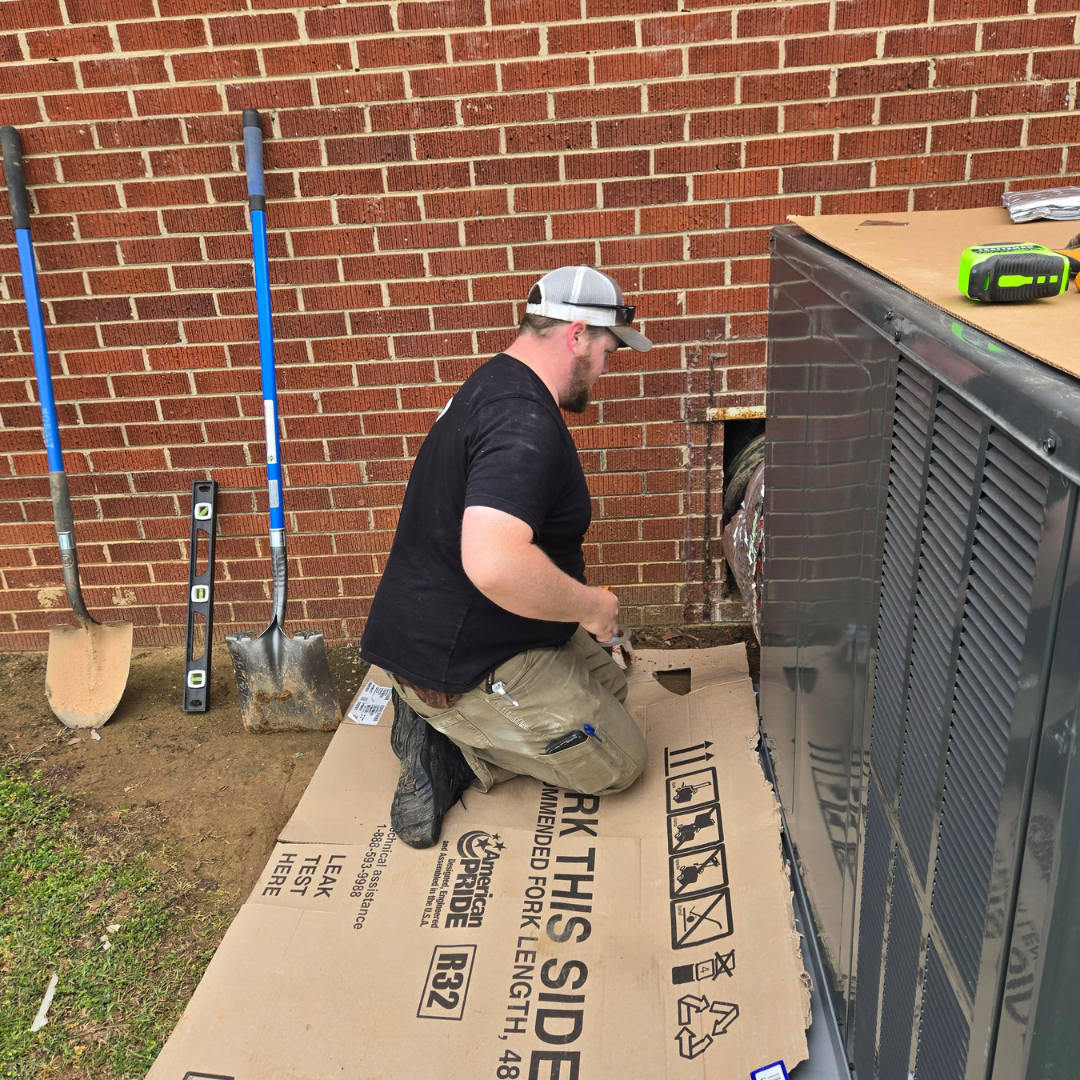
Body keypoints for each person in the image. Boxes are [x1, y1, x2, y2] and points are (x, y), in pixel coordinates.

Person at [359, 266, 652, 848]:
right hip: (457, 662)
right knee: (620, 760)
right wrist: (591, 607)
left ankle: (464, 723)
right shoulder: (523, 420)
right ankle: (451, 745)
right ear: (577, 335)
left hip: (489, 628)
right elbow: (494, 562)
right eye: (608, 351)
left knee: (613, 689)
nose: (606, 368)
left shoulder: (495, 382)